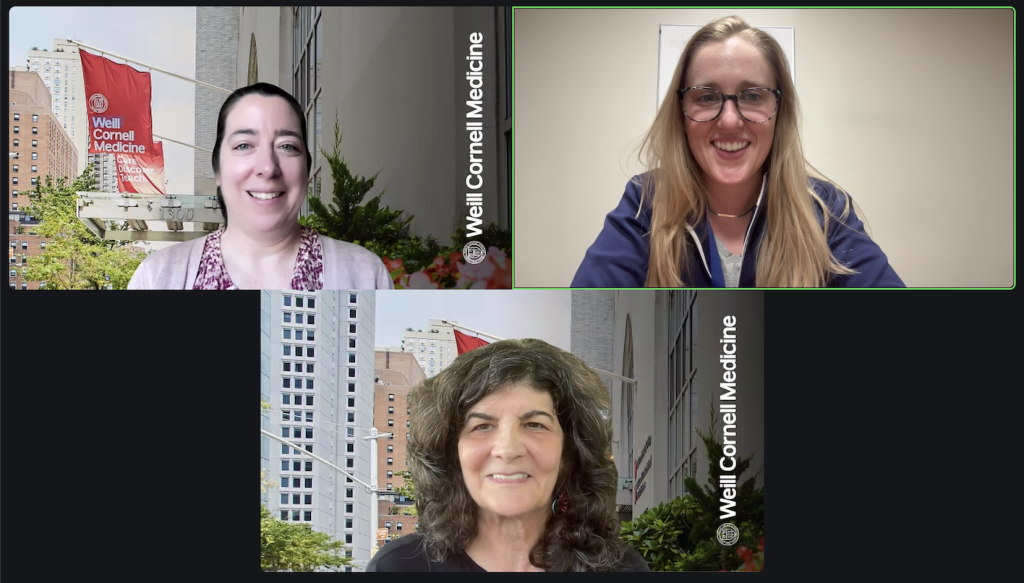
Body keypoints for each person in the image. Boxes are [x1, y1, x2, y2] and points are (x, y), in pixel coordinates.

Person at [571, 15, 904, 288]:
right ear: (681, 112)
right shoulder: (646, 201)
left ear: (779, 110)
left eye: (753, 95)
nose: (729, 121)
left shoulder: (826, 210)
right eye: (706, 96)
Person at [367, 339, 650, 572]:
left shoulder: (622, 568)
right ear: (452, 453)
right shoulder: (398, 567)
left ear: (570, 450)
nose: (508, 449)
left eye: (534, 424)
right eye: (482, 426)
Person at [127, 82, 392, 290]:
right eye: (244, 145)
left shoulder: (364, 275)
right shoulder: (157, 277)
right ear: (218, 169)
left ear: (307, 169)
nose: (268, 167)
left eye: (287, 146)